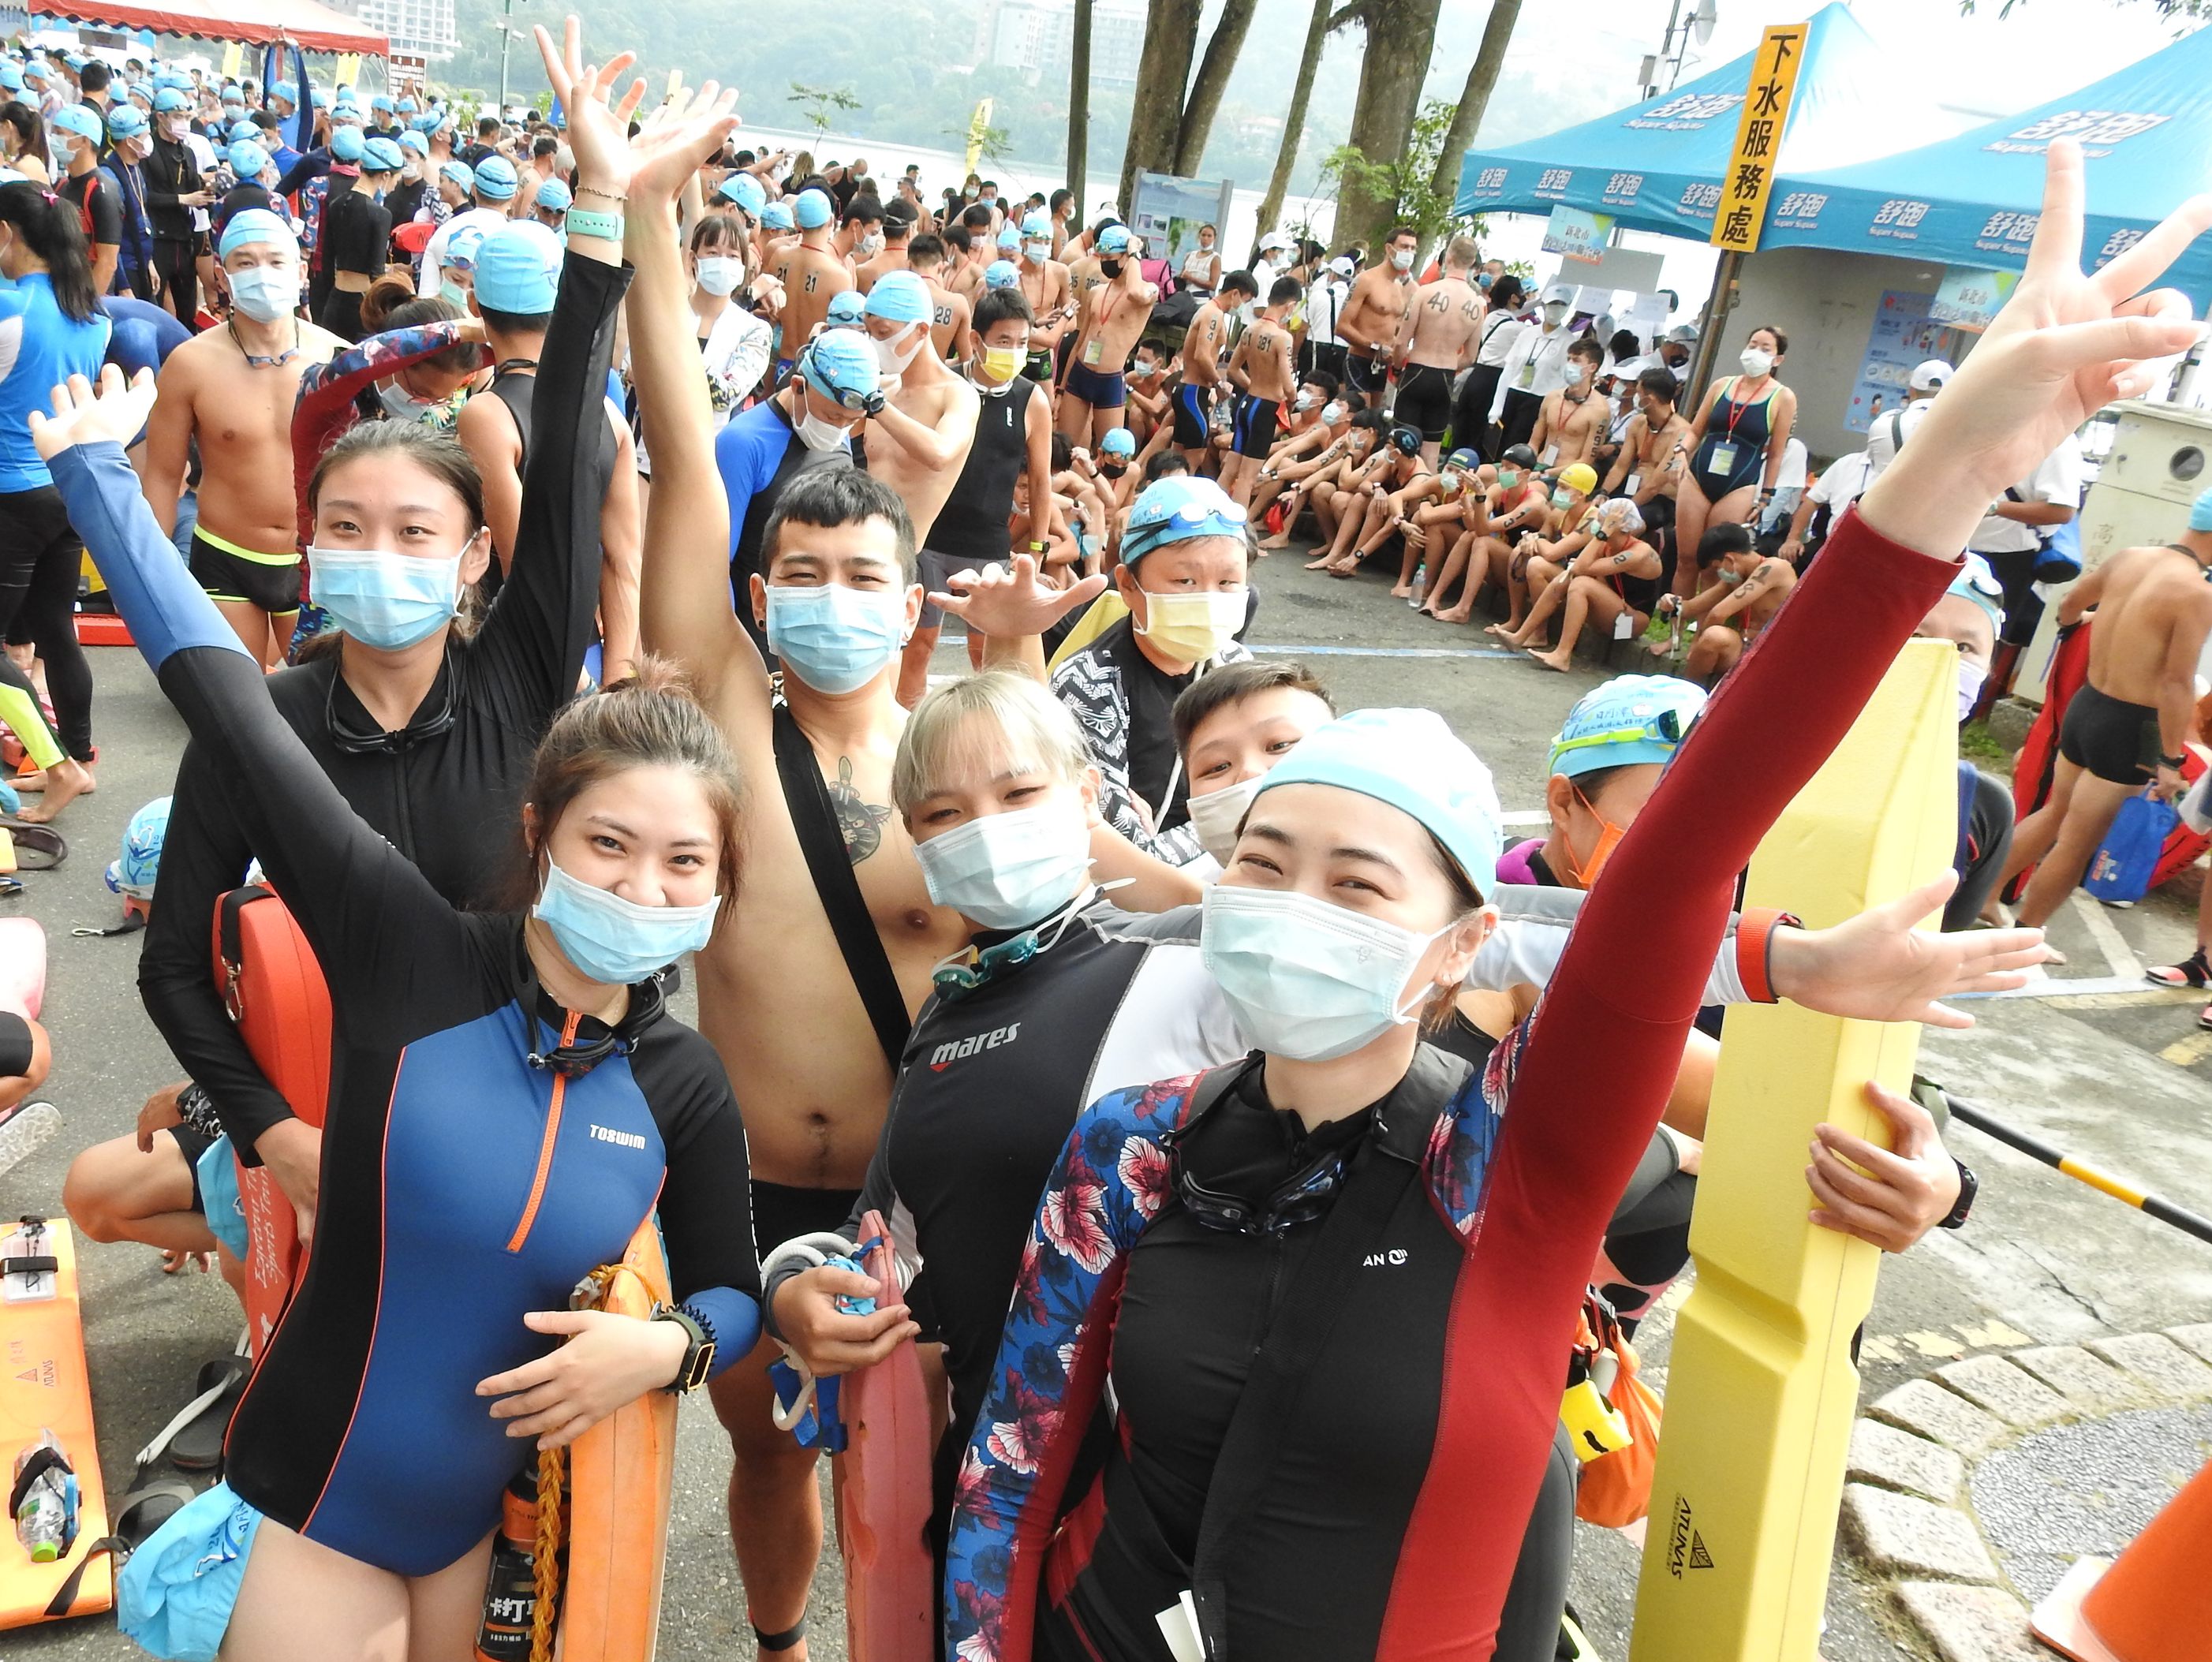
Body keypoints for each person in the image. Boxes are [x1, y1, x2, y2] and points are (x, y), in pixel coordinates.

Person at [928, 172, 2154, 1633]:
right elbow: (1014, 1466)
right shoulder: (1130, 1147)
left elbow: (1690, 841)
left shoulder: (1507, 1157)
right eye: (1258, 863)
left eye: (1352, 877)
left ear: (1458, 944)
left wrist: (1944, 471)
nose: (1286, 902)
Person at [50, 349, 760, 1662]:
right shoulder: (411, 959)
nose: (640, 881)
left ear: (720, 887)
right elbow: (220, 696)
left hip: (480, 1531)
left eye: (681, 863)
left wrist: (667, 1350)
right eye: (608, 844)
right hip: (334, 1499)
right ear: (539, 834)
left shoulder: (680, 1082)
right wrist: (97, 478)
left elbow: (733, 1288)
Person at [129, 99, 652, 1332]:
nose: (381, 554)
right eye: (348, 528)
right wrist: (272, 1133)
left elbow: (571, 435)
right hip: (334, 1117)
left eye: (417, 531)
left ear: (475, 554)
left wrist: (596, 202)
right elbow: (170, 965)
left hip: (527, 1116)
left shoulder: (524, 673)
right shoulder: (265, 720)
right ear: (310, 543)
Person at [1997, 492, 2212, 932]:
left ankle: (1980, 897)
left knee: (2054, 813)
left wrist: (2084, 623)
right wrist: (2170, 760)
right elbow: (2176, 682)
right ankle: (2025, 940)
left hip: (2088, 705)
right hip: (2131, 726)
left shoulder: (2130, 558)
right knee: (2076, 844)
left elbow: (2069, 606)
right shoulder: (2196, 593)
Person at [144, 211, 343, 667]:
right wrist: (152, 572)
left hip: (313, 560)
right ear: (223, 275)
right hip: (225, 554)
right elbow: (161, 474)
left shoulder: (336, 357)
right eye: (245, 262)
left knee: (316, 699)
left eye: (275, 261)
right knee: (239, 705)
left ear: (299, 271)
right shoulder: (191, 364)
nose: (262, 274)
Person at [1051, 476, 1252, 866]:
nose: (1209, 598)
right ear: (1128, 585)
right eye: (1185, 581)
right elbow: (1124, 855)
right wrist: (1232, 816)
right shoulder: (1089, 684)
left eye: (1228, 582)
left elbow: (1281, 799)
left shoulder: (1236, 667)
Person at [0, 182, 110, 823]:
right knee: (55, 634)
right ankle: (80, 759)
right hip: (64, 486)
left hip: (12, 495)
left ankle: (60, 767)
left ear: (8, 233)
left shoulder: (11, 306)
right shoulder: (94, 313)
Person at [898, 289, 1057, 700]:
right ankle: (905, 745)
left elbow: (1041, 483)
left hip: (987, 545)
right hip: (928, 539)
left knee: (987, 653)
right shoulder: (945, 384)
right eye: (1005, 342)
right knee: (918, 645)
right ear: (976, 341)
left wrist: (1036, 552)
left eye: (1023, 343)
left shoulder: (1031, 399)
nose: (1015, 351)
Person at [715, 329, 878, 651]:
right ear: (798, 386)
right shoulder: (743, 442)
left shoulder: (833, 431)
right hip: (755, 636)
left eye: (849, 421)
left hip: (822, 629)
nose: (838, 429)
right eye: (832, 416)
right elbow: (715, 565)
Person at [1669, 324, 1796, 596]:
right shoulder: (1722, 385)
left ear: (1778, 359)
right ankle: (1674, 633)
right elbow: (1695, 431)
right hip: (1699, 475)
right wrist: (1681, 453)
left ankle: (1704, 633)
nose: (1756, 352)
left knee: (1716, 564)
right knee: (1687, 559)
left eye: (1765, 349)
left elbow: (1776, 453)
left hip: (1739, 484)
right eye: (1752, 345)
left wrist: (1765, 496)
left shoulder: (1782, 397)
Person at [858, 269, 980, 548]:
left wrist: (877, 406)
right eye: (869, 332)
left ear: (922, 330)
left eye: (883, 333)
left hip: (903, 557)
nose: (874, 342)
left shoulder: (957, 394)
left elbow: (939, 453)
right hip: (857, 544)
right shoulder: (883, 387)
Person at [1506, 495, 1665, 671]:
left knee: (1580, 584)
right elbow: (1575, 570)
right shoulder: (1607, 546)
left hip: (1631, 623)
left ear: (1618, 526)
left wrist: (1602, 534)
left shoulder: (1638, 552)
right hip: (1611, 610)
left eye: (1602, 521)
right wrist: (1602, 537)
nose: (1597, 525)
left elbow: (1580, 569)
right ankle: (1520, 636)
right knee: (1566, 578)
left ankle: (1562, 655)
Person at [1970, 429, 2084, 648]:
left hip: (2004, 561)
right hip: (1957, 545)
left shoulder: (2059, 442)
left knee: (1975, 641)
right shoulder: (1997, 422)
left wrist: (1993, 507)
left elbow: (2062, 510)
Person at [1655, 521, 1797, 684]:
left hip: (1774, 652)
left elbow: (1719, 613)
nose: (1719, 573)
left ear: (1729, 559)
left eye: (1717, 568)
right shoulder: (1735, 579)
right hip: (1743, 646)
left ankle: (1689, 689)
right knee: (1714, 638)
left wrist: (1696, 645)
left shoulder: (1774, 567)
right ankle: (1690, 690)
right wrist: (1673, 603)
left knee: (1712, 635)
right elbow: (1691, 608)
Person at [1059, 223, 1155, 446]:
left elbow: (1134, 292)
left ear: (1125, 257)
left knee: (1111, 454)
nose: (1104, 263)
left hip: (1110, 379)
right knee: (1065, 448)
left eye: (1110, 257)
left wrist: (1134, 255)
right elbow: (1080, 342)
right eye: (1102, 257)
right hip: (1081, 372)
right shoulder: (1097, 291)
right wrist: (1061, 389)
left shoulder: (1147, 291)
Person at [1392, 233, 1482, 465]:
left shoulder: (1425, 292)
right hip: (1445, 377)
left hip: (1416, 370)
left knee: (1400, 446)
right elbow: (1471, 357)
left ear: (1448, 257)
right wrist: (1451, 365)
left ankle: (1394, 495)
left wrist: (1397, 367)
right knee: (1431, 454)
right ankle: (1421, 501)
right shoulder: (1477, 304)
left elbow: (1402, 341)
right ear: (1472, 263)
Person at [1220, 276, 1298, 509]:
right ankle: (1238, 535)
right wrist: (1291, 401)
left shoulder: (1250, 330)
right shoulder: (1282, 337)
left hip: (1248, 403)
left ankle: (1211, 516)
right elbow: (1288, 386)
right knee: (1247, 478)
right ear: (1290, 306)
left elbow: (1233, 370)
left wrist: (1252, 387)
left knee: (1230, 470)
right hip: (1265, 408)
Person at [1600, 364, 1688, 566]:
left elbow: (1655, 485)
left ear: (1650, 399)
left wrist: (1624, 509)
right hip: (1632, 488)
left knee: (1623, 527)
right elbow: (1621, 466)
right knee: (1591, 511)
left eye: (1639, 394)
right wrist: (1603, 493)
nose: (1636, 399)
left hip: (1661, 500)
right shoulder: (1639, 423)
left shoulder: (1681, 433)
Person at [316, 135, 400, 340]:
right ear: (386, 175)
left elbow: (327, 262)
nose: (395, 185)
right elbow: (376, 273)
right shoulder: (380, 214)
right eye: (396, 178)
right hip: (362, 307)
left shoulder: (336, 204)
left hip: (334, 302)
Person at [766, 187, 852, 382]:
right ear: (831, 221)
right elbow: (845, 336)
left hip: (780, 363)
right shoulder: (838, 275)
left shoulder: (779, 256)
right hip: (813, 372)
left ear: (798, 224)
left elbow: (770, 308)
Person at [143, 86, 210, 321]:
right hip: (158, 240)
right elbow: (144, 196)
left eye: (186, 117)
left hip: (184, 239)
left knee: (188, 309)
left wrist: (207, 196)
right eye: (177, 117)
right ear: (160, 117)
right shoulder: (146, 150)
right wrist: (182, 199)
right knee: (154, 305)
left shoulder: (188, 153)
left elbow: (194, 191)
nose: (183, 122)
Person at [1334, 224, 1416, 409]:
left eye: (1413, 248)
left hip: (1384, 365)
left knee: (1376, 421)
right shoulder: (1366, 280)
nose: (1409, 252)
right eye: (1404, 246)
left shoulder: (1399, 287)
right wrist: (1374, 346)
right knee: (1359, 417)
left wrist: (1400, 348)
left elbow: (1393, 327)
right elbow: (1342, 326)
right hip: (1360, 360)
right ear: (1389, 249)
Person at [413, 153, 514, 298]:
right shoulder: (513, 243)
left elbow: (426, 299)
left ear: (473, 189)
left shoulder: (444, 232)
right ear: (514, 197)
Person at [1490, 284, 1573, 455]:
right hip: (1513, 393)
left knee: (1517, 449)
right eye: (1552, 304)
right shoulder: (1527, 333)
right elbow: (1509, 369)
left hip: (1539, 400)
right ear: (1543, 305)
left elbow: (1565, 382)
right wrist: (1497, 405)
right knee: (1496, 446)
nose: (1556, 309)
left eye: (1561, 305)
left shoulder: (1569, 341)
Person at [54, 103, 121, 297]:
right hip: (64, 291)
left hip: (89, 297)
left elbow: (108, 263)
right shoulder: (62, 185)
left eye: (60, 133)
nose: (55, 140)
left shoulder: (102, 190)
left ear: (83, 140)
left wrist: (87, 308)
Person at [101, 106, 158, 301]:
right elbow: (110, 238)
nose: (148, 141)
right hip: (126, 269)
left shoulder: (135, 167)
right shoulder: (111, 177)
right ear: (130, 141)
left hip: (141, 263)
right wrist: (124, 285)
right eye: (144, 136)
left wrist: (149, 261)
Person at [1530, 336, 1609, 472]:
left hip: (1566, 474)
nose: (1569, 364)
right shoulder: (1552, 397)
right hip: (1539, 464)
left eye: (1576, 360)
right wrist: (1521, 463)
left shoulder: (1599, 410)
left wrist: (1544, 474)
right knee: (1486, 472)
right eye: (1569, 359)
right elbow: (1534, 443)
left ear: (1592, 367)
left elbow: (1586, 462)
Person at [1865, 357, 1951, 482]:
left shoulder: (1883, 424)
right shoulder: (1966, 430)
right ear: (1952, 391)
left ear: (1911, 390)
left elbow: (1872, 463)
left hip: (1885, 500)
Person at [1012, 213, 1073, 382]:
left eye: (1047, 242)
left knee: (1046, 406)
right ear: (1023, 242)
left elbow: (1072, 319)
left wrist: (1049, 328)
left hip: (1043, 353)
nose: (1043, 247)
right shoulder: (1012, 274)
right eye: (1037, 242)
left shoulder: (1060, 272)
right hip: (1016, 352)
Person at [910, 232, 970, 361]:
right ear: (941, 267)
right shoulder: (957, 303)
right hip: (937, 378)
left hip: (896, 379)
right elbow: (967, 360)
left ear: (909, 265)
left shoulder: (895, 296)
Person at [1179, 222, 1220, 297]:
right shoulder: (1190, 255)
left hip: (1201, 298)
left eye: (1209, 236)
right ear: (1199, 236)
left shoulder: (1215, 258)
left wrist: (1191, 278)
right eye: (1203, 235)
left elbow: (1213, 286)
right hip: (1185, 297)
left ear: (1214, 238)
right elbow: (1182, 276)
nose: (1205, 239)